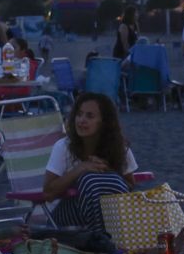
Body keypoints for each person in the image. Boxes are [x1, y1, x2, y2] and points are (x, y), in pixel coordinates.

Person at [42, 92, 139, 236]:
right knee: (89, 179)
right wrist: (80, 169)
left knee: (103, 179)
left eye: (90, 116)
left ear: (104, 122)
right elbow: (48, 193)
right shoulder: (63, 147)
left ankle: (104, 240)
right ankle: (104, 242)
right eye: (79, 114)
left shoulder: (119, 147)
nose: (81, 120)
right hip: (66, 217)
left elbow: (130, 186)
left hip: (109, 216)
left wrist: (107, 172)